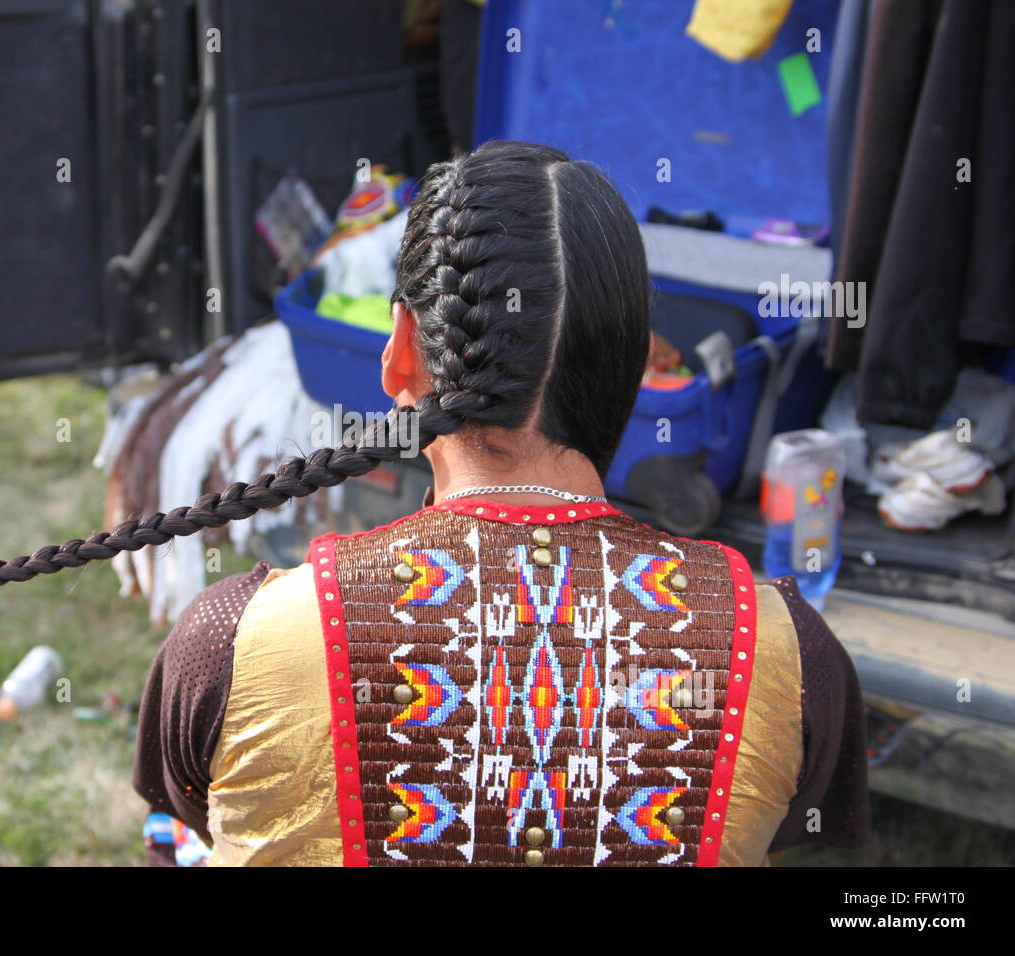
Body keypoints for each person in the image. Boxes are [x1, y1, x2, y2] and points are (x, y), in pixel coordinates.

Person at [133, 140, 868, 867]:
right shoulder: (788, 654)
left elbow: (195, 812)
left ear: (402, 352)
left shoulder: (233, 644)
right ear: (640, 369)